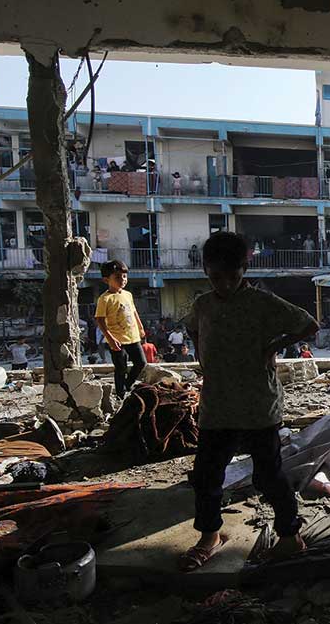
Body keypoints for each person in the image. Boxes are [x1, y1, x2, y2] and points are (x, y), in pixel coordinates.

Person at [178, 231, 318, 572]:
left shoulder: (262, 303)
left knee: (269, 476)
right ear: (205, 272)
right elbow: (194, 329)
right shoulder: (203, 305)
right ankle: (210, 536)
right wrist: (202, 356)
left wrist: (273, 347)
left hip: (257, 406)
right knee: (207, 475)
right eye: (216, 278)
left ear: (245, 268)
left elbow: (308, 324)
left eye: (232, 276)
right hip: (217, 405)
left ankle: (289, 537)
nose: (224, 284)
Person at [95, 259, 147, 398]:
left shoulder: (127, 295)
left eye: (124, 276)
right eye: (117, 277)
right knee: (121, 368)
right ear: (106, 280)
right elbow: (99, 320)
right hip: (117, 339)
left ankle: (127, 385)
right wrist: (110, 339)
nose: (122, 280)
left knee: (141, 363)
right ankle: (120, 394)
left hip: (133, 336)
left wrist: (141, 328)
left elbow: (134, 312)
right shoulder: (105, 299)